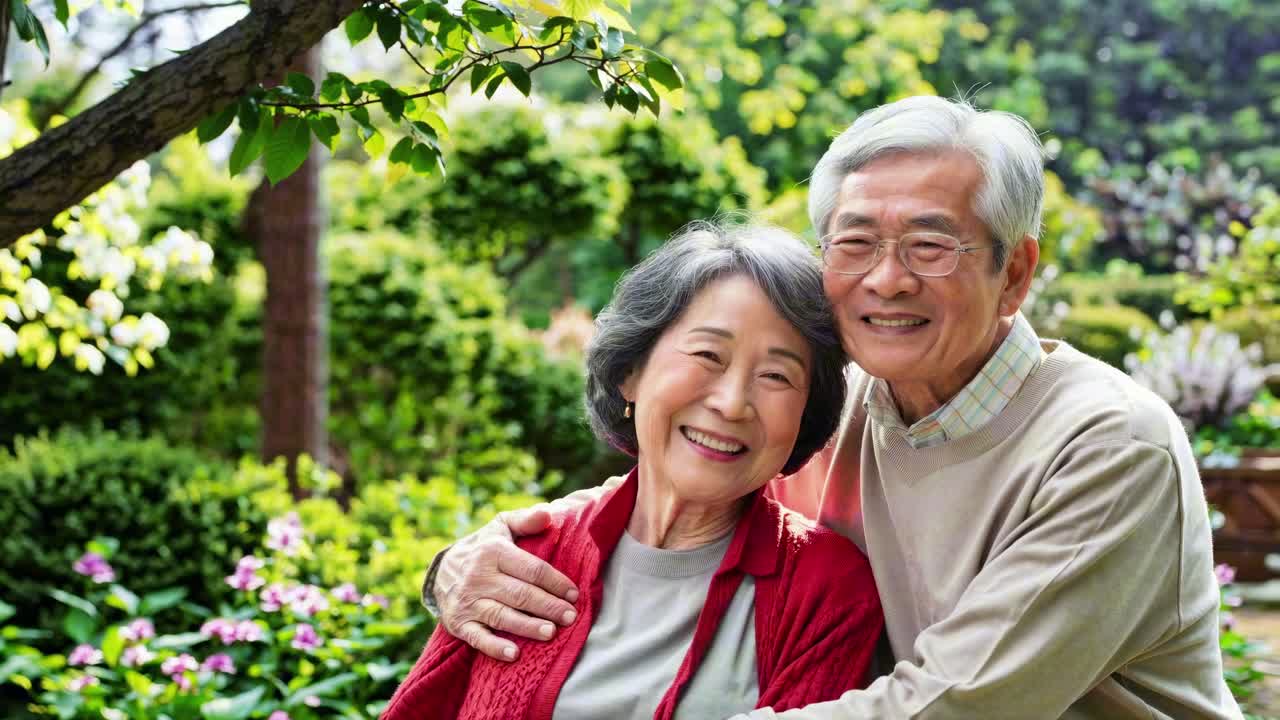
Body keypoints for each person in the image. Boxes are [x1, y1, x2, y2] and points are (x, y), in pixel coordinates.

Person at [421, 96, 1242, 719]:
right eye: (855, 242)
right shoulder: (841, 404)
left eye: (930, 246)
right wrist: (463, 564)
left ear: (1015, 274)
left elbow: (953, 705)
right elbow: (678, 486)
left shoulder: (1108, 445)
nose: (887, 279)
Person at [383, 222, 884, 720]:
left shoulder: (828, 591)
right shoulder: (521, 558)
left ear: (805, 415)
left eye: (776, 375)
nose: (732, 404)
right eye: (708, 354)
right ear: (631, 373)